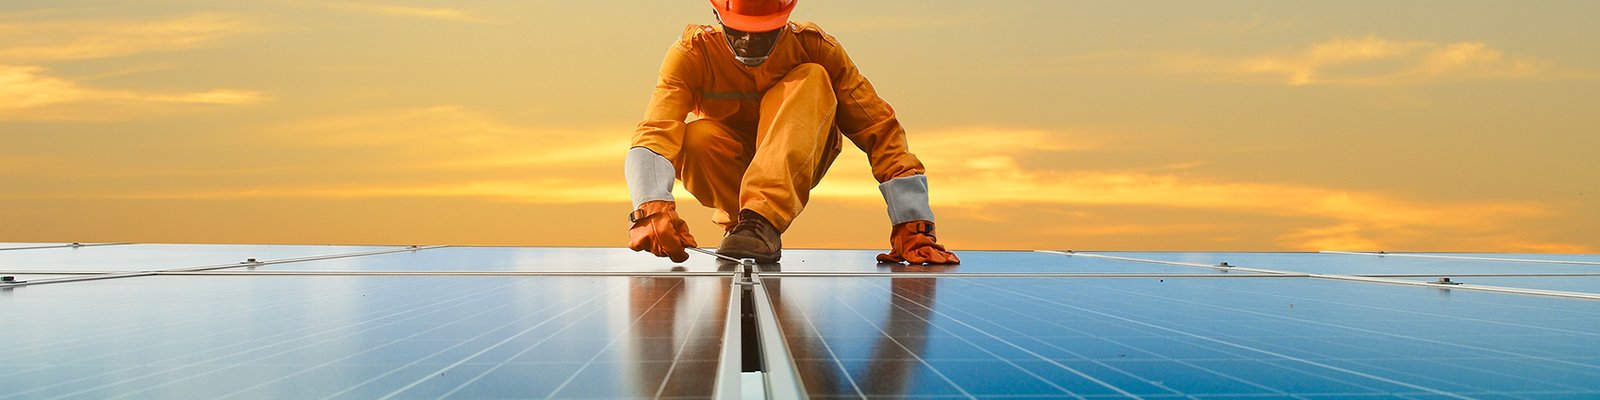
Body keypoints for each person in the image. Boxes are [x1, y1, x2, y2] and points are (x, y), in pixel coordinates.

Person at [625, 0, 959, 265]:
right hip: (732, 177)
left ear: (784, 20)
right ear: (716, 14)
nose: (748, 42)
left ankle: (760, 221)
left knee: (812, 77)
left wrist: (912, 223)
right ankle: (745, 224)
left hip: (801, 154)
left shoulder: (816, 48)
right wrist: (650, 204)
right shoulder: (692, 55)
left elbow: (878, 128)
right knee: (694, 138)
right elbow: (655, 131)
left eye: (763, 33)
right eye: (737, 31)